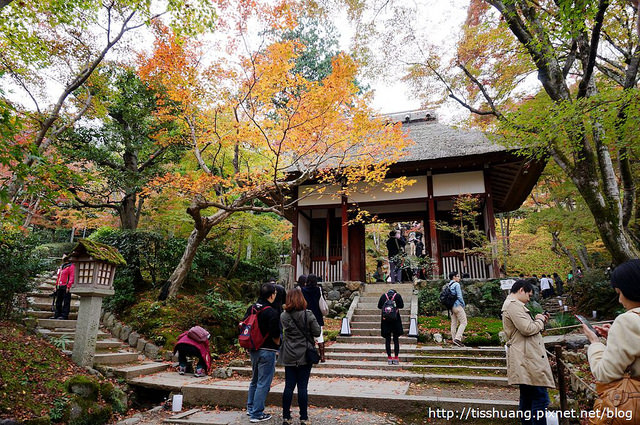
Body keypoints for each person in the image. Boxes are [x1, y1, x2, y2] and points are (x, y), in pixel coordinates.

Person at [502, 280, 554, 425]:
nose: (529, 298)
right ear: (521, 290)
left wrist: (540, 322)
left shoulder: (514, 305)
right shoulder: (513, 305)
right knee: (540, 399)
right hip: (527, 358)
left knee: (528, 398)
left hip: (525, 356)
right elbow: (527, 329)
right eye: (529, 295)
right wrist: (540, 320)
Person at [582, 259, 640, 386]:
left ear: (632, 289)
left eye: (619, 293)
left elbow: (605, 373)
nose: (619, 300)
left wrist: (595, 343)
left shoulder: (627, 321)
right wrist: (617, 337)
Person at [280, 288, 321, 425]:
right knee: (302, 387)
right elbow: (317, 331)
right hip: (304, 353)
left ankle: (286, 416)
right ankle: (304, 418)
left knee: (288, 386)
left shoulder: (283, 316)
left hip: (289, 353)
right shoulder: (307, 314)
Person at [245, 282, 281, 423]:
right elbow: (275, 333)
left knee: (255, 380)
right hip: (267, 349)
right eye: (275, 294)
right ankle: (257, 413)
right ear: (271, 295)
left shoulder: (252, 308)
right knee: (263, 382)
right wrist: (278, 344)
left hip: (253, 348)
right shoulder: (271, 312)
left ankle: (250, 407)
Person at [301, 274, 326, 362]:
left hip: (306, 315)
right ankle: (322, 356)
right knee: (319, 336)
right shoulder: (318, 290)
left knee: (307, 336)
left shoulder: (302, 290)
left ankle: (310, 355)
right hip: (317, 315)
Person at [378, 288, 404, 365]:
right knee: (396, 340)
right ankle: (396, 357)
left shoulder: (383, 296)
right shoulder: (398, 296)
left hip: (385, 320)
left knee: (387, 340)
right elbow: (401, 306)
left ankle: (389, 357)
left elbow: (379, 306)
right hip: (395, 320)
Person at [448, 271, 467, 347]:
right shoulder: (456, 284)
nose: (459, 278)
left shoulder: (449, 285)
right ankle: (457, 338)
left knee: (454, 323)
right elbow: (459, 296)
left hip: (451, 307)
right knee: (464, 322)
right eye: (458, 276)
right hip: (457, 306)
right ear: (454, 277)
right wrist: (463, 304)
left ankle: (454, 340)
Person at [53, 254, 75, 320]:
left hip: (66, 286)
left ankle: (64, 315)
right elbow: (58, 277)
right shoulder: (62, 266)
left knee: (66, 301)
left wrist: (69, 286)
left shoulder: (71, 266)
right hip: (59, 286)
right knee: (58, 301)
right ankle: (57, 314)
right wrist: (56, 286)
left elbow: (72, 276)